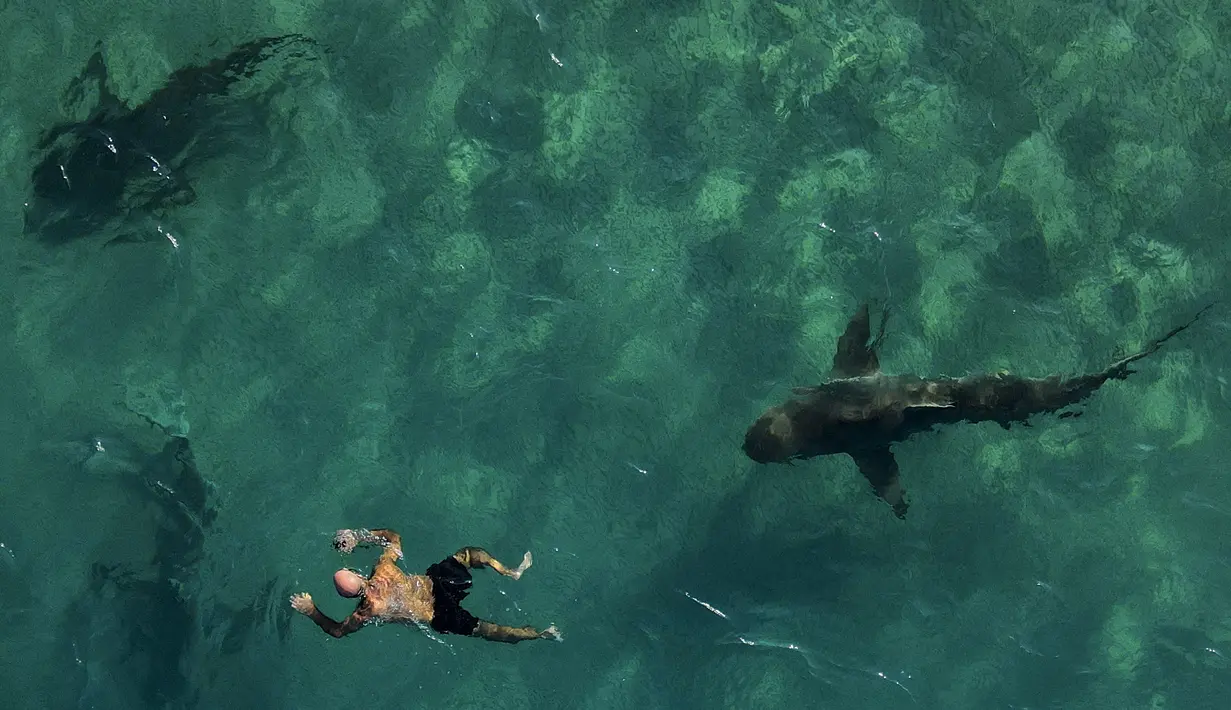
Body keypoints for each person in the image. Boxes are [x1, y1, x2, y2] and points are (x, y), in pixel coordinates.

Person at [290, 528, 562, 644]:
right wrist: (358, 536)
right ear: (358, 575)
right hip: (437, 585)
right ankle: (509, 571)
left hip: (437, 616)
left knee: (487, 630)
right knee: (468, 554)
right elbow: (393, 537)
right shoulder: (383, 569)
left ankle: (540, 634)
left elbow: (338, 631)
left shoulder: (366, 611)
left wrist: (311, 609)